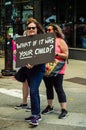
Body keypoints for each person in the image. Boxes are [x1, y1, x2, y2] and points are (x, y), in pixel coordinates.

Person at [15, 18, 45, 126]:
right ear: (27, 29)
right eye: (29, 28)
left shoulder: (43, 40)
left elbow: (44, 55)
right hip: (28, 71)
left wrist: (34, 63)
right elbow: (22, 54)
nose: (31, 29)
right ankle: (35, 114)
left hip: (38, 70)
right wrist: (17, 53)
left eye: (33, 28)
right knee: (34, 92)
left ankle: (36, 115)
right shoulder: (25, 40)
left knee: (33, 91)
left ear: (37, 29)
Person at [41, 23, 69, 119]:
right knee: (48, 87)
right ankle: (49, 106)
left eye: (49, 30)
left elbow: (66, 55)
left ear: (55, 31)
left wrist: (56, 54)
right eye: (47, 30)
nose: (47, 31)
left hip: (57, 68)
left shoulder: (60, 41)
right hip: (47, 67)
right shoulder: (45, 40)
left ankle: (64, 109)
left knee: (58, 88)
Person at [13, 32, 30, 110]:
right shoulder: (21, 42)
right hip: (23, 66)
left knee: (32, 86)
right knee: (25, 84)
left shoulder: (34, 42)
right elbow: (16, 52)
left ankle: (33, 104)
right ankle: (24, 102)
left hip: (32, 67)